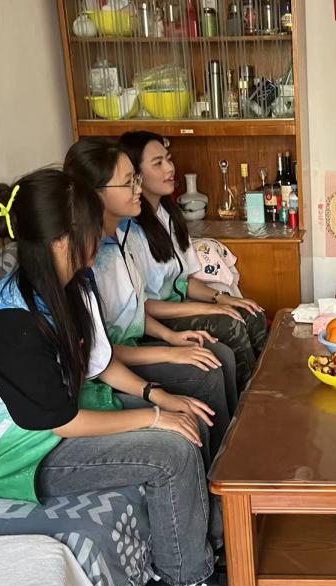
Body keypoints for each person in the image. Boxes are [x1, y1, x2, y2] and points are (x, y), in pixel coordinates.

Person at [0, 168, 227, 586]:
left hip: (60, 421)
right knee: (170, 450)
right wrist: (155, 417)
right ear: (61, 239)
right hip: (18, 453)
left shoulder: (72, 284)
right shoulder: (9, 323)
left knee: (188, 411)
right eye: (91, 223)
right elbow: (62, 422)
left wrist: (159, 397)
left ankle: (212, 540)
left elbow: (101, 363)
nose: (101, 232)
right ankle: (181, 573)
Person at [63, 138, 238, 454]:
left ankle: (237, 444)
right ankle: (226, 462)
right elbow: (99, 354)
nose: (138, 188)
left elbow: (136, 308)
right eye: (129, 182)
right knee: (209, 369)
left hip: (126, 349)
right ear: (94, 193)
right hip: (111, 366)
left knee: (219, 353)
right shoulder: (85, 260)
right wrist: (169, 352)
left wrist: (172, 338)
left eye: (136, 179)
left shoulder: (122, 234)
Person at [118, 131, 267, 393]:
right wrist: (208, 310)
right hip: (154, 321)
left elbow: (185, 281)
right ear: (135, 175)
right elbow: (143, 306)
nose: (170, 168)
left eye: (168, 159)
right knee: (230, 325)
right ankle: (251, 403)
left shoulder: (168, 214)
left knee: (252, 314)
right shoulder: (127, 230)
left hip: (179, 307)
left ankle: (267, 390)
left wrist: (221, 298)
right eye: (158, 163)